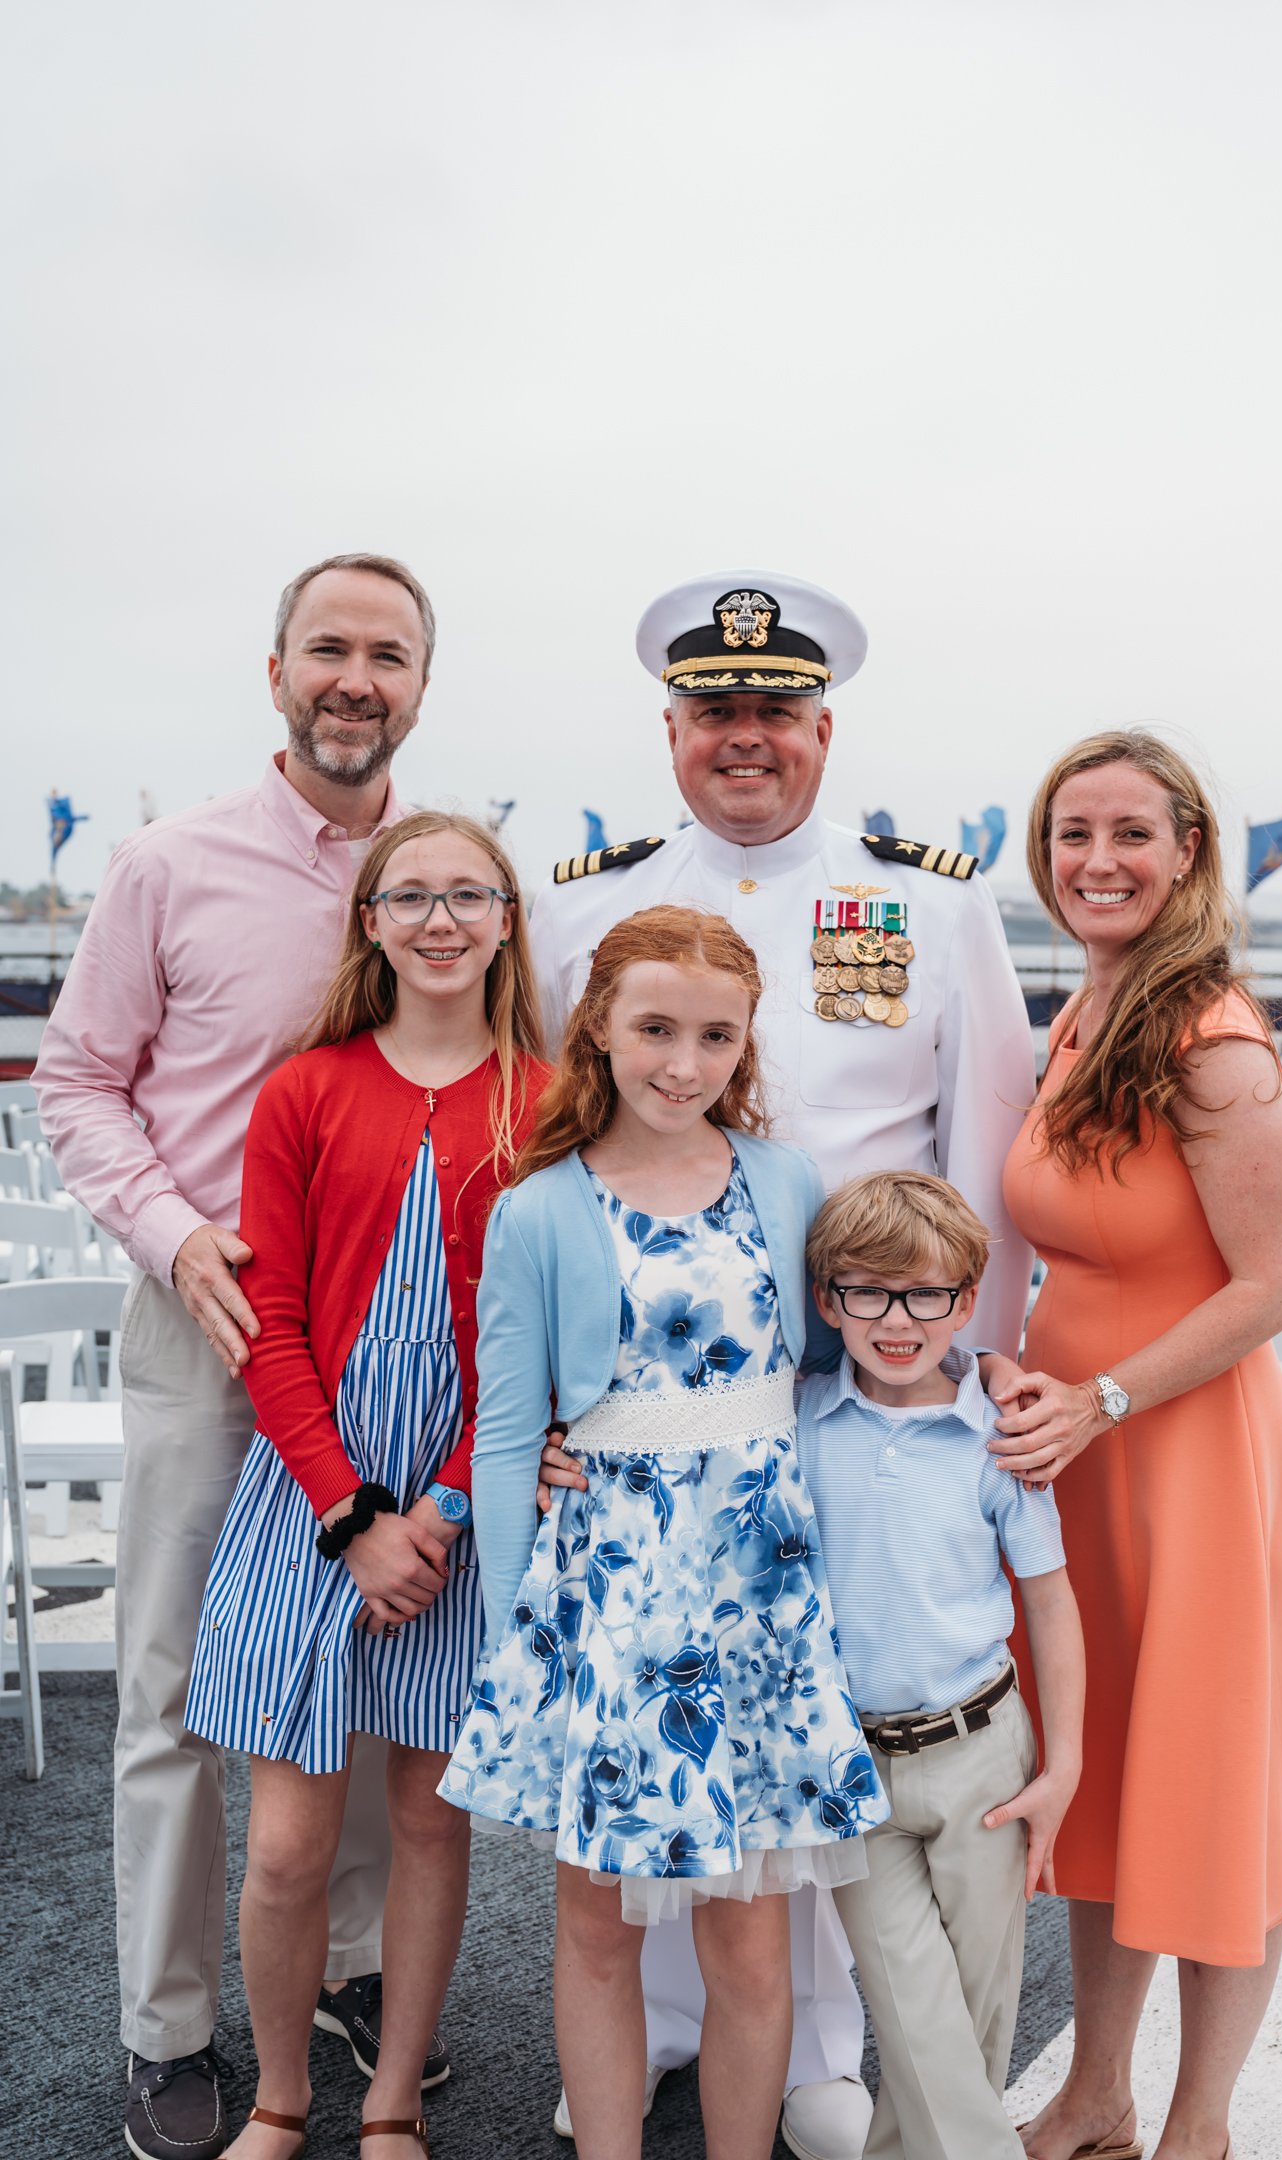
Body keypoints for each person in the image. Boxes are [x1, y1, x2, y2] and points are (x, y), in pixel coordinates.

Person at [528, 571, 1036, 2160]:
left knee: (827, 1703)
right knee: (661, 1695)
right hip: (661, 1395)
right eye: (713, 713)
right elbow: (548, 1138)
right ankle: (662, 2023)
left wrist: (978, 1371)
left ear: (823, 729)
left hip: (868, 1372)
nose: (745, 739)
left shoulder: (933, 901)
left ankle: (818, 2036)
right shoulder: (573, 904)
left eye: (774, 714)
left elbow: (986, 1151)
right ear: (671, 728)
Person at [33, 556, 447, 2160]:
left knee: (357, 1662)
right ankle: (169, 2028)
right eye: (329, 649)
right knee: (176, 1686)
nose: (357, 678)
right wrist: (174, 1232)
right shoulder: (167, 863)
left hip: (384, 1347)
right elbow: (78, 1084)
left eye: (389, 656)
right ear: (276, 667)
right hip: (210, 1318)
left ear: (423, 684)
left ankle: (345, 1971)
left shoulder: (446, 872)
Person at [991, 731, 1282, 2160]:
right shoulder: (1086, 1007)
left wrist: (1106, 1399)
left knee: (1215, 1797)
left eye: (1128, 834)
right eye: (1070, 835)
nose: (1095, 862)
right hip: (1078, 1460)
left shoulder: (1212, 1037)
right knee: (1111, 1788)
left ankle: (1198, 2127)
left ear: (1187, 851)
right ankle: (1094, 2093)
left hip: (1186, 1465)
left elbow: (1269, 1287)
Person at [440, 905, 888, 2160]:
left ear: (744, 1047)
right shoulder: (538, 1211)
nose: (680, 1064)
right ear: (598, 1029)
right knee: (597, 1919)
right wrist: (518, 1634)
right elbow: (507, 1434)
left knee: (751, 1923)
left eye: (711, 1037)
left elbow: (820, 1364)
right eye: (653, 1030)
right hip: (613, 1592)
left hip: (755, 1584)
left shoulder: (786, 1181)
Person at [181, 810, 547, 2159]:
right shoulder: (307, 1091)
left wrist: (443, 1511)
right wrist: (350, 1515)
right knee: (284, 1844)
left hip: (462, 1509)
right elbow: (270, 1323)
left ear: (508, 919)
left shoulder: (552, 1100)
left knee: (427, 1826)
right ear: (371, 921)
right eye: (413, 897)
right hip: (310, 1500)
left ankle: (391, 2101)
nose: (441, 919)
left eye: (469, 895)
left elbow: (542, 1348)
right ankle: (283, 2096)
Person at [798, 1171, 1083, 2160]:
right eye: (866, 1292)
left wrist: (1063, 1768)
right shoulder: (797, 1425)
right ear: (829, 1300)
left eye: (924, 1295)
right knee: (913, 2005)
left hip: (984, 1755)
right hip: (852, 1764)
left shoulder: (996, 1439)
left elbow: (1050, 1601)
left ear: (966, 1302)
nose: (896, 1318)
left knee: (976, 2012)